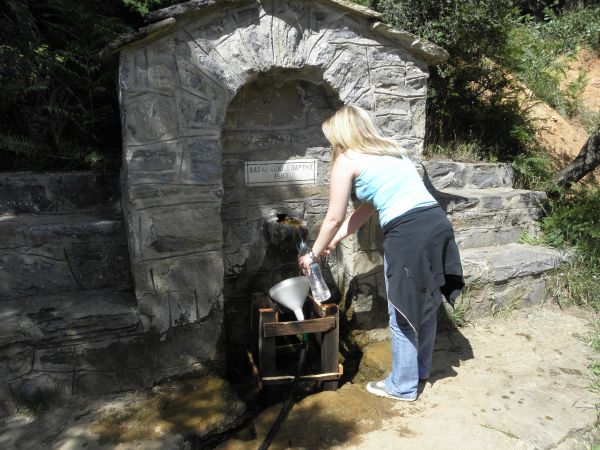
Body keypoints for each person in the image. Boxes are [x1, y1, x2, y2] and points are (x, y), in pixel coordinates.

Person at [298, 105, 464, 401]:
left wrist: (313, 253)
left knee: (401, 312)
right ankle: (419, 370)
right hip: (436, 223)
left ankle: (402, 386)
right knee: (426, 305)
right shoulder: (391, 151)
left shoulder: (346, 160)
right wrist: (334, 240)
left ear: (340, 135)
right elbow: (367, 208)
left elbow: (334, 216)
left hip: (409, 233)